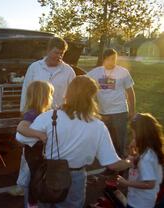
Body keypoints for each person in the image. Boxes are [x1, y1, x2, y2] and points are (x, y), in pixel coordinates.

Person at [17, 76, 133, 208]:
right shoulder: (98, 126)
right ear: (92, 97)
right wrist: (130, 161)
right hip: (75, 177)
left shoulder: (49, 116)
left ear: (68, 93)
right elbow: (112, 164)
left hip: (49, 173)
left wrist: (41, 135)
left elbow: (21, 138)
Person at [87, 48, 136, 157]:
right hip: (103, 113)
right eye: (109, 59)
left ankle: (123, 165)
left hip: (120, 111)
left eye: (114, 59)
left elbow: (130, 92)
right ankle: (110, 165)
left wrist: (132, 110)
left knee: (120, 141)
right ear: (104, 59)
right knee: (107, 141)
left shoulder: (123, 72)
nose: (112, 62)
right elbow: (82, 79)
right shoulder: (96, 72)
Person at [13, 80, 54, 208]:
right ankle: (32, 203)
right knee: (35, 178)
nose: (52, 97)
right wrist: (40, 135)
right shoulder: (32, 113)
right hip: (34, 154)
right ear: (44, 97)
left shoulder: (41, 112)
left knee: (38, 177)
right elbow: (21, 127)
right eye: (50, 94)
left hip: (37, 153)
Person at [116, 113, 164, 208]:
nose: (132, 136)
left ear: (140, 133)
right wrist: (132, 151)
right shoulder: (149, 149)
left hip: (140, 203)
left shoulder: (147, 157)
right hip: (141, 199)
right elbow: (137, 165)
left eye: (133, 132)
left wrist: (126, 183)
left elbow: (150, 184)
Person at [20, 37, 76, 111]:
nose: (59, 56)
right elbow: (26, 90)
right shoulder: (34, 67)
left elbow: (74, 95)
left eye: (62, 53)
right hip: (37, 114)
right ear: (48, 51)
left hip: (59, 115)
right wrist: (22, 110)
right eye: (56, 53)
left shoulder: (69, 71)